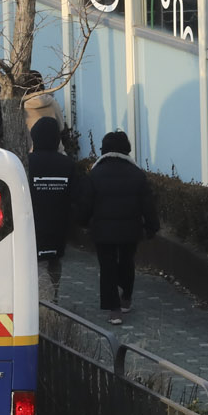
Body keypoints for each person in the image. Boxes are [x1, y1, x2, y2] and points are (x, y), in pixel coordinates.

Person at [78, 130, 157, 325]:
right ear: (127, 150)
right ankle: (126, 298)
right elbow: (148, 204)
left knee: (107, 266)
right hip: (130, 230)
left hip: (103, 231)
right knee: (127, 261)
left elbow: (86, 204)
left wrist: (82, 222)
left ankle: (114, 310)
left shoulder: (95, 174)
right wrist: (151, 227)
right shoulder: (137, 174)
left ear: (104, 150)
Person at [26, 116, 84, 301]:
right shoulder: (67, 164)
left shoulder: (26, 162)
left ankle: (35, 298)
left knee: (33, 260)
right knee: (54, 259)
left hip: (32, 221)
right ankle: (54, 296)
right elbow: (76, 195)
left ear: (34, 137)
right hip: (59, 222)